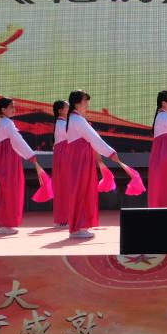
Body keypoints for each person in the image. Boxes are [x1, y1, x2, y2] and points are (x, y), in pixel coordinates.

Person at [65, 90, 123, 239]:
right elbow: (94, 138)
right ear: (77, 103)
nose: (87, 104)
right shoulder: (77, 120)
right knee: (81, 190)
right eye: (85, 101)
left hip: (81, 159)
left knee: (82, 190)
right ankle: (77, 227)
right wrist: (110, 153)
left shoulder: (75, 118)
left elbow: (92, 139)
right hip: (80, 160)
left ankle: (79, 226)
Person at [0, 98, 39, 235]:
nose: (14, 109)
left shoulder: (3, 122)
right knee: (11, 191)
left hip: (7, 160)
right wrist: (31, 155)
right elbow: (18, 140)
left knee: (7, 191)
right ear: (3, 110)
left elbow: (16, 141)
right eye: (11, 107)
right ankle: (5, 224)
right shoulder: (7, 123)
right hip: (9, 161)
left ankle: (4, 224)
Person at [51, 100, 70, 227]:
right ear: (60, 110)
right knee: (65, 187)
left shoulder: (61, 123)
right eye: (67, 108)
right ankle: (64, 218)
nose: (69, 110)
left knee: (63, 187)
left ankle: (62, 218)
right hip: (64, 158)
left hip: (63, 157)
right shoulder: (62, 124)